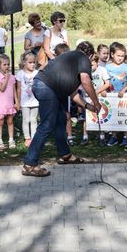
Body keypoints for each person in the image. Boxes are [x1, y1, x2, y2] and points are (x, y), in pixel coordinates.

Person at [22, 43, 101, 177]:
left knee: (60, 120)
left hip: (44, 85)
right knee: (46, 125)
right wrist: (96, 102)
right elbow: (86, 80)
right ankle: (29, 164)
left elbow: (73, 94)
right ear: (91, 55)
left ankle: (65, 155)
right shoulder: (83, 58)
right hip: (48, 88)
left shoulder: (69, 59)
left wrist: (88, 106)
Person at [106, 43, 127, 147]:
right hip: (111, 97)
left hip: (124, 97)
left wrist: (124, 90)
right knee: (113, 117)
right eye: (118, 56)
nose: (120, 58)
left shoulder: (126, 67)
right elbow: (105, 81)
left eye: (122, 56)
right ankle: (114, 136)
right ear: (112, 54)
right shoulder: (107, 67)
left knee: (124, 116)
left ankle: (126, 137)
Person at [81, 54, 110, 146]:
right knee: (86, 118)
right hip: (87, 97)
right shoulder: (84, 71)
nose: (90, 65)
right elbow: (81, 84)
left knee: (100, 117)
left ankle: (102, 136)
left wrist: (98, 90)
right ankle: (85, 136)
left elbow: (107, 83)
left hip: (99, 97)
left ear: (97, 62)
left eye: (92, 63)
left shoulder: (102, 70)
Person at [0, 54, 19, 151]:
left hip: (10, 104)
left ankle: (11, 139)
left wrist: (16, 102)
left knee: (10, 122)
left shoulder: (12, 77)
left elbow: (14, 91)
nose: (7, 67)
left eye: (8, 64)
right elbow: (2, 88)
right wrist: (6, 78)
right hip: (2, 104)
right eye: (4, 65)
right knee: (0, 122)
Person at [16, 52, 39, 148]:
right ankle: (27, 138)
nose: (32, 64)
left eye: (34, 62)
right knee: (25, 120)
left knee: (34, 120)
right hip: (24, 102)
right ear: (24, 62)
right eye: (30, 62)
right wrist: (17, 101)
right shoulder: (20, 74)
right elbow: (18, 88)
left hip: (35, 101)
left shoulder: (37, 73)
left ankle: (34, 138)